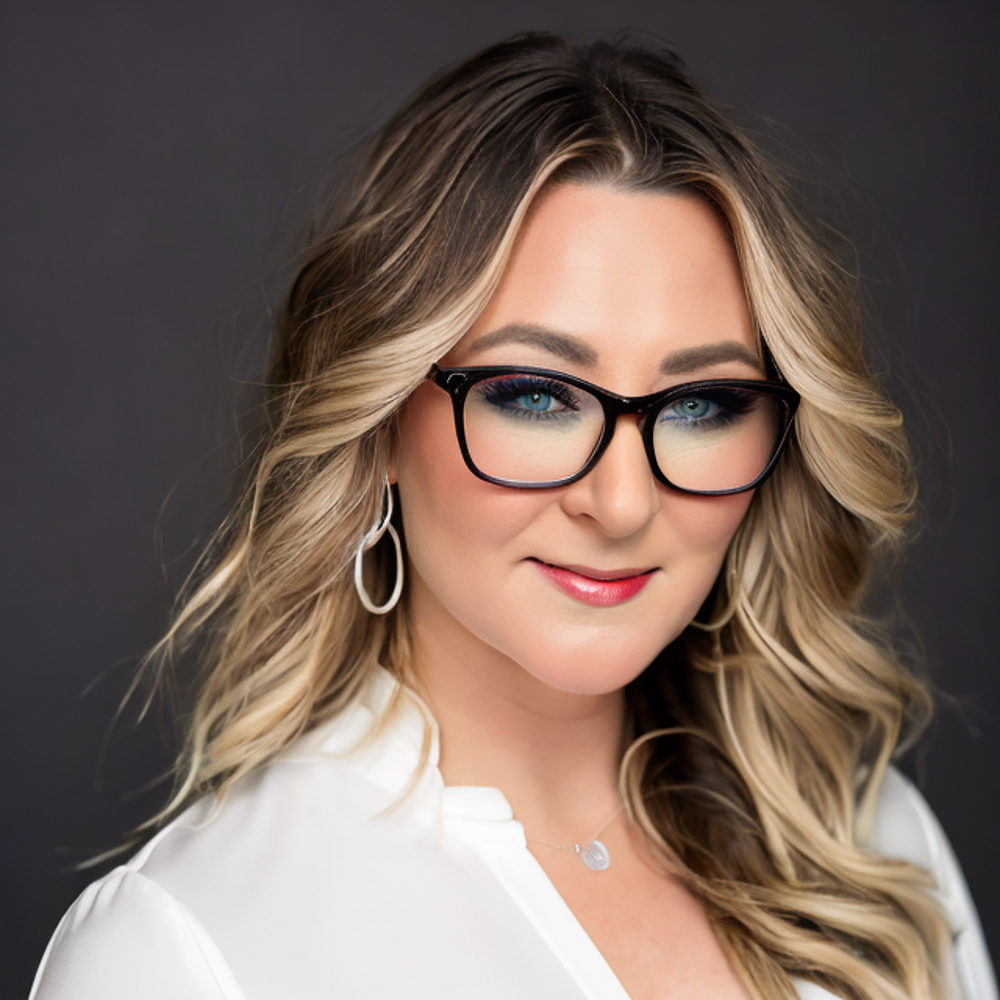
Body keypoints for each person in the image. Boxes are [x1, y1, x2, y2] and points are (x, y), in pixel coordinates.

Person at [29, 33, 996, 1000]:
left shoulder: (874, 853)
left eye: (702, 405)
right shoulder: (186, 948)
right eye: (536, 396)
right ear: (378, 421)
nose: (621, 503)